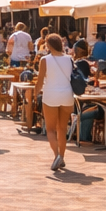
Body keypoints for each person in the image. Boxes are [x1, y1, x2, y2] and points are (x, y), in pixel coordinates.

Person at [35, 33, 76, 172]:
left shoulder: (45, 60)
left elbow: (40, 81)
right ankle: (62, 157)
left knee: (50, 129)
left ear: (49, 45)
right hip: (67, 95)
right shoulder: (69, 59)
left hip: (51, 94)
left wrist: (35, 93)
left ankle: (57, 155)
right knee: (62, 128)